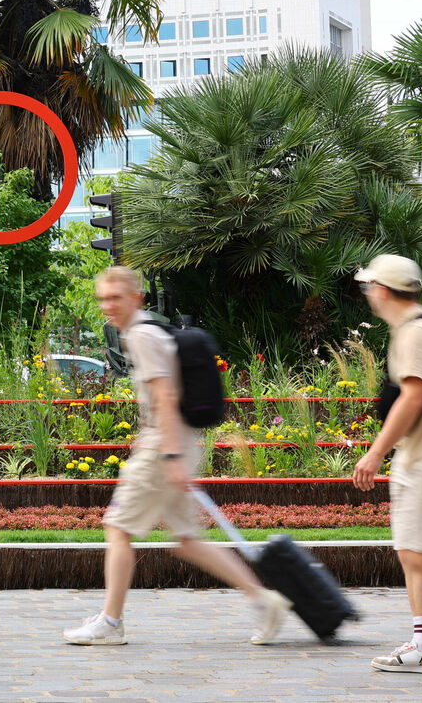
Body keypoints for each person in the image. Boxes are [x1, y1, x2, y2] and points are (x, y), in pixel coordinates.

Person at [63, 266, 291, 646]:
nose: (108, 306)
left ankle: (110, 623)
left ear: (137, 298)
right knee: (186, 539)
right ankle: (264, 601)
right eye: (103, 299)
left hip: (162, 446)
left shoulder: (142, 336)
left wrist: (169, 456)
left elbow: (166, 396)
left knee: (117, 528)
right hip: (178, 443)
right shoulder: (151, 331)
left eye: (116, 297)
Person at [353, 254, 422, 675]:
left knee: (414, 552)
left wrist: (375, 452)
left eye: (368, 286)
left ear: (382, 289)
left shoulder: (418, 333)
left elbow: (413, 397)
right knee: (415, 553)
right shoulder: (413, 329)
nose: (366, 295)